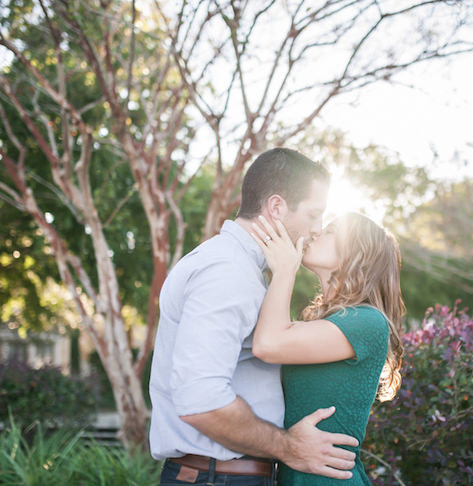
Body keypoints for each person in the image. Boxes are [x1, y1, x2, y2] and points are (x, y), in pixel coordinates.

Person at [148, 148, 359, 486]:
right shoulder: (227, 271)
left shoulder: (241, 268)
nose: (316, 229)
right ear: (276, 207)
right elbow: (202, 401)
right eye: (313, 214)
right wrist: (288, 447)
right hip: (216, 479)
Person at [249, 211, 406, 485]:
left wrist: (285, 270)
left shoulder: (367, 321)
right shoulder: (324, 323)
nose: (317, 233)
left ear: (359, 253)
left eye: (332, 231)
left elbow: (267, 344)